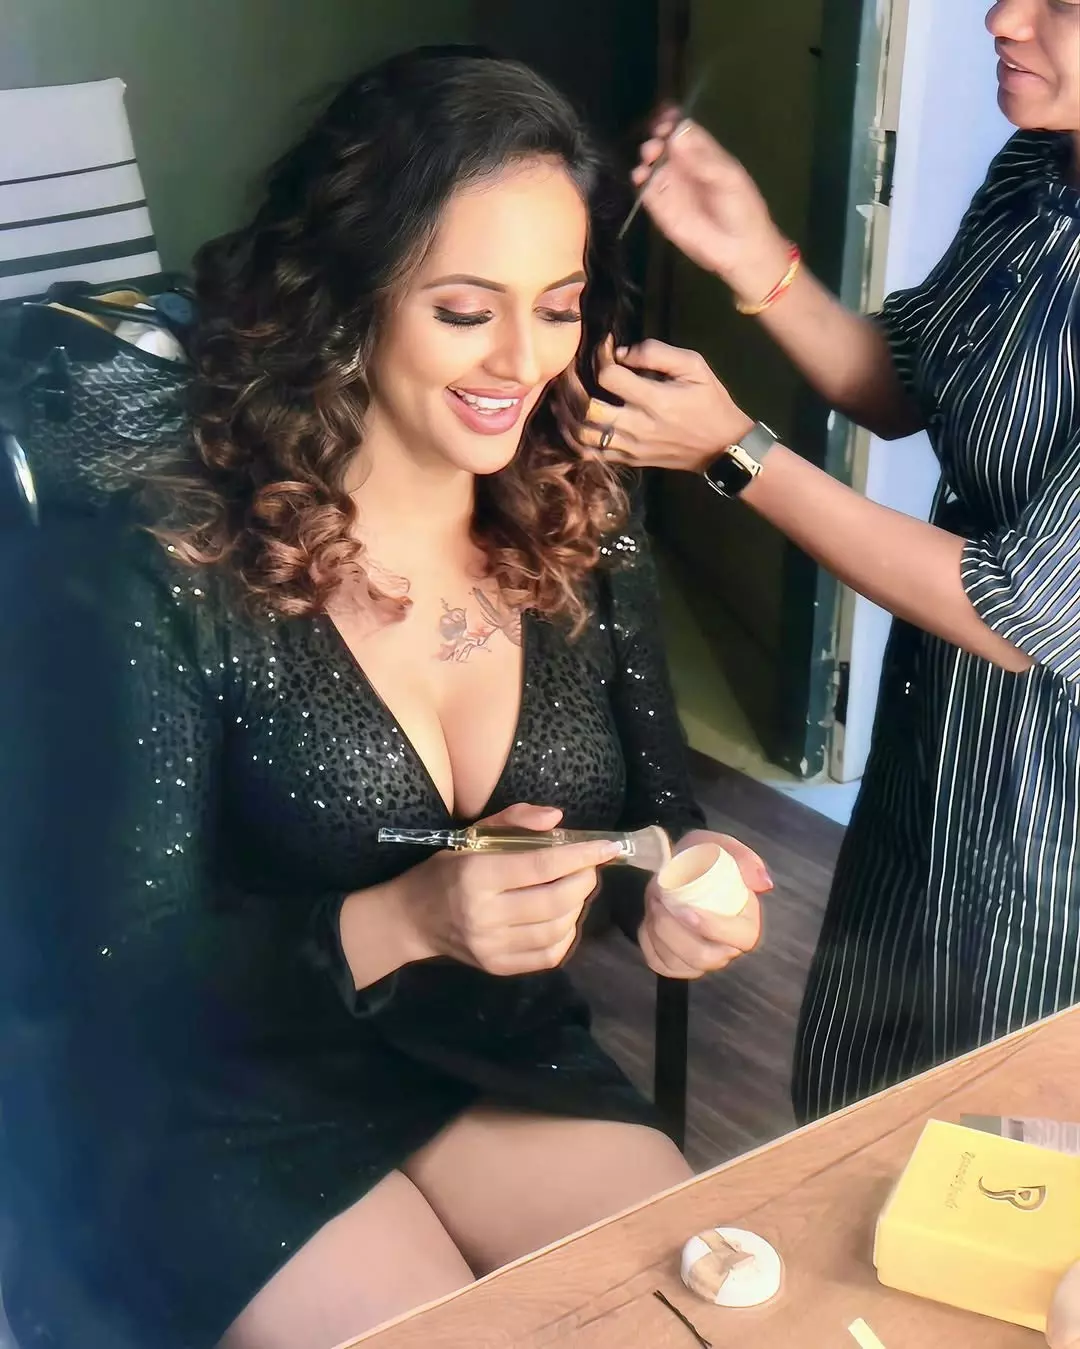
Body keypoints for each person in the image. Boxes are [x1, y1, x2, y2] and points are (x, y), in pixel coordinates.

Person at [0, 48, 771, 1349]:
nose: (522, 359)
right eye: (465, 310)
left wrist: (683, 890)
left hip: (486, 1053)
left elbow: (655, 821)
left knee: (702, 1321)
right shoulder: (169, 571)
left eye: (559, 306)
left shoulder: (584, 529)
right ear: (345, 299)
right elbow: (111, 973)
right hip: (218, 1090)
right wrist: (407, 916)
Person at [577, 0, 1080, 1124]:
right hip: (933, 736)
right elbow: (901, 383)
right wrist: (753, 253)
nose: (1001, 18)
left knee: (1002, 1148)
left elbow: (1016, 608)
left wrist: (734, 451)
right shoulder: (1038, 173)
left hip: (1055, 811)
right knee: (858, 1096)